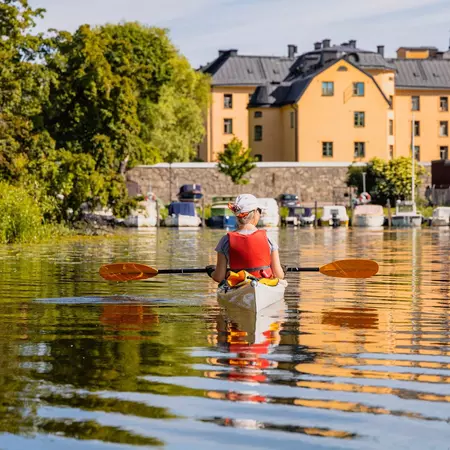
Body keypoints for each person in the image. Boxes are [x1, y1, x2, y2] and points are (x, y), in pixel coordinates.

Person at [206, 194, 285, 283]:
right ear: (255, 212)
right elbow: (279, 275)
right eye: (260, 210)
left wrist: (212, 272)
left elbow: (219, 277)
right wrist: (282, 270)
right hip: (263, 284)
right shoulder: (268, 239)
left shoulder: (225, 240)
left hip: (238, 286)